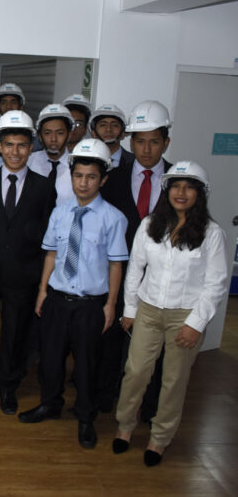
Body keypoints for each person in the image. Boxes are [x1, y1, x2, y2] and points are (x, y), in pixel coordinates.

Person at [113, 162, 228, 467]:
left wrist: (196, 324)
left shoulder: (211, 233)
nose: (181, 192)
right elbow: (135, 269)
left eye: (189, 187)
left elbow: (216, 283)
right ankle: (125, 426)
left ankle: (160, 438)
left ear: (200, 193)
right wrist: (130, 309)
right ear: (167, 190)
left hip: (185, 316)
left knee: (174, 380)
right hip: (148, 311)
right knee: (136, 372)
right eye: (176, 185)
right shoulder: (150, 224)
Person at [19, 139, 128, 450]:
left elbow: (116, 265)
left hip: (90, 305)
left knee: (87, 365)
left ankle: (85, 417)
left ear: (102, 180)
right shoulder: (60, 212)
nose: (83, 183)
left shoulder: (113, 218)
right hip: (57, 298)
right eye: (78, 175)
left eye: (91, 177)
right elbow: (51, 254)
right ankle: (50, 404)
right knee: (51, 359)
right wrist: (43, 291)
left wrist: (111, 305)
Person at [0, 110, 54, 414]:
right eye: (9, 145)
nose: (15, 152)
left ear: (31, 148)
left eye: (22, 146)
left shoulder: (44, 187)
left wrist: (41, 278)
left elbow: (48, 236)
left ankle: (8, 386)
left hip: (24, 275)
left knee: (16, 334)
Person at [98, 100, 173, 417]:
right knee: (110, 341)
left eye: (154, 141)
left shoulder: (178, 182)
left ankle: (149, 407)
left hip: (161, 281)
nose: (146, 149)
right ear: (130, 142)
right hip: (116, 274)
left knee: (155, 348)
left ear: (166, 142)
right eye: (140, 141)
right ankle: (105, 398)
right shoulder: (113, 178)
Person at [27, 103, 75, 206]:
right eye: (47, 133)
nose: (53, 139)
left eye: (60, 133)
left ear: (69, 135)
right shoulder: (28, 162)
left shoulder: (77, 166)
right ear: (40, 137)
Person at [90, 104, 134, 169]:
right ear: (93, 133)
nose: (109, 129)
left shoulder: (136, 162)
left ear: (123, 133)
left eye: (115, 125)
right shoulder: (84, 160)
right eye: (103, 125)